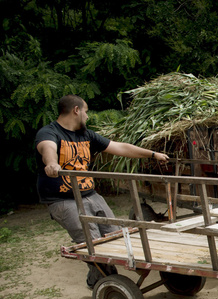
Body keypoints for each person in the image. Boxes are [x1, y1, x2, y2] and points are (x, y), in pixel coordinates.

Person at [35, 94, 170, 289]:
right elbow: (47, 148)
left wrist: (153, 154)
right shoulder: (49, 132)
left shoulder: (86, 135)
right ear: (76, 110)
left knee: (115, 237)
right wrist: (52, 163)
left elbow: (120, 147)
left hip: (90, 195)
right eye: (86, 111)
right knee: (95, 246)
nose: (87, 116)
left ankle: (104, 279)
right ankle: (104, 284)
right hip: (63, 200)